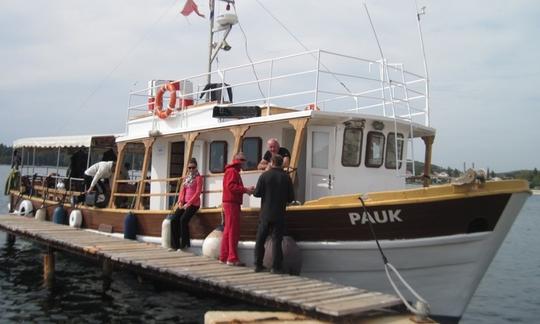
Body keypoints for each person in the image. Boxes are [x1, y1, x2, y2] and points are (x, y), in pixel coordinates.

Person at [253, 155, 295, 273]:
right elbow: (291, 198)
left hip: (265, 213)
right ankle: (276, 267)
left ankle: (258, 265)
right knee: (277, 241)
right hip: (279, 214)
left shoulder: (264, 176)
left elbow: (257, 193)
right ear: (281, 163)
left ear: (271, 162)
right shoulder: (286, 178)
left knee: (260, 239)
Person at [220, 152, 254, 266]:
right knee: (233, 231)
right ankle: (232, 258)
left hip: (229, 203)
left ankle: (224, 256)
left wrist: (245, 190)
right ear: (238, 161)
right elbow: (231, 186)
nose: (244, 162)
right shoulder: (233, 171)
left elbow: (231, 186)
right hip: (232, 204)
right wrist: (246, 189)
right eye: (242, 160)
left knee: (228, 230)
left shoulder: (231, 171)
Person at [173, 158, 203, 249]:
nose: (191, 170)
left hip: (194, 204)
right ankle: (175, 245)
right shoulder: (186, 178)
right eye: (189, 168)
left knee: (183, 220)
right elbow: (182, 191)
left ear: (196, 167)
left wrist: (188, 203)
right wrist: (180, 202)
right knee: (174, 219)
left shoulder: (199, 178)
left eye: (193, 167)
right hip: (184, 203)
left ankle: (185, 244)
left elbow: (198, 193)